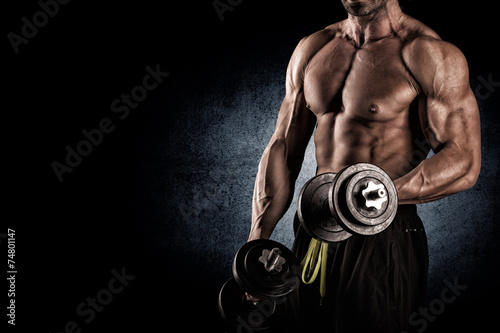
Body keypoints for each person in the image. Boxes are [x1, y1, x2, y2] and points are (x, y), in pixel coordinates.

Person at [247, 0, 481, 332]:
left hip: (382, 234)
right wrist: (258, 237)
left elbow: (464, 161)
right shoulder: (314, 47)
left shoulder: (427, 53)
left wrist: (368, 199)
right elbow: (283, 147)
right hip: (312, 227)